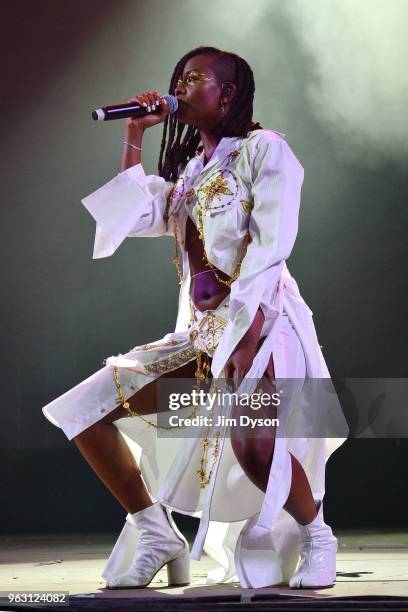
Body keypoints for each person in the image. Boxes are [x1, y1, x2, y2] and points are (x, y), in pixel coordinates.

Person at [42, 45, 347, 590]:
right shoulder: (188, 174)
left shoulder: (264, 150)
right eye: (178, 77)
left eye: (195, 78)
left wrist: (249, 335)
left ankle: (318, 537)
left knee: (255, 446)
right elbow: (133, 214)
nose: (180, 86)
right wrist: (135, 133)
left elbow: (272, 245)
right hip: (201, 338)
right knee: (86, 411)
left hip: (264, 324)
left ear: (227, 93)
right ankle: (156, 533)